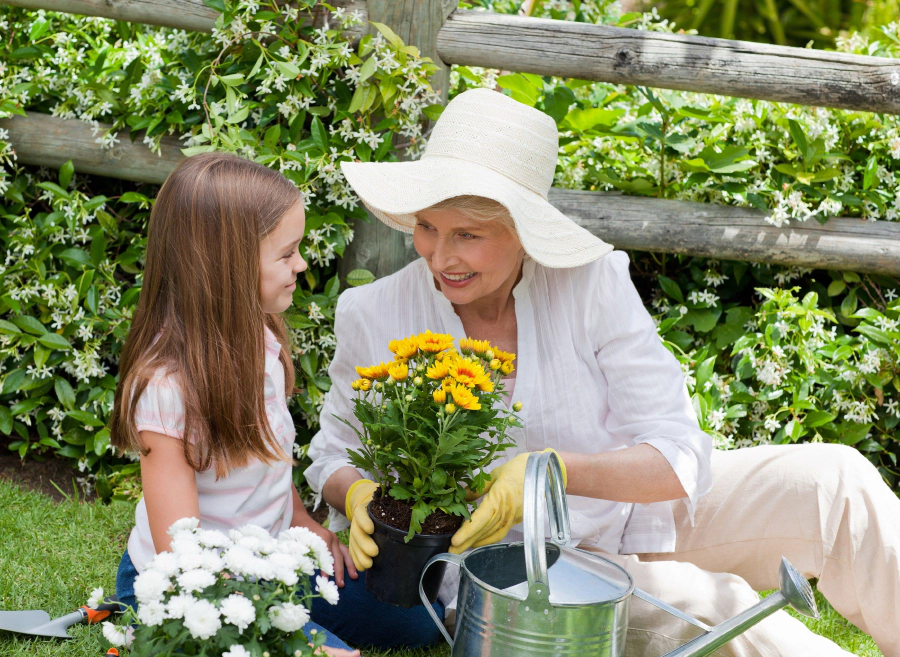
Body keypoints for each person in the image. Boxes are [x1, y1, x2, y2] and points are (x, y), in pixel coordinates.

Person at [306, 88, 900, 656]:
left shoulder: (593, 284)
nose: (440, 256)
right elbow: (333, 455)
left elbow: (678, 453)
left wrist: (550, 474)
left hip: (636, 521)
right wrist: (354, 492)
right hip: (504, 572)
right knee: (705, 603)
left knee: (835, 479)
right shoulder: (374, 310)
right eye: (427, 227)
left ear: (524, 232)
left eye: (469, 235)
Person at [109, 152, 362, 656]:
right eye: (287, 253)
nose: (302, 264)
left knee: (416, 625)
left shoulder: (259, 339)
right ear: (228, 265)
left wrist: (306, 527)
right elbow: (181, 555)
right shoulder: (166, 388)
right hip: (199, 591)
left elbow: (270, 461)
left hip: (269, 561)